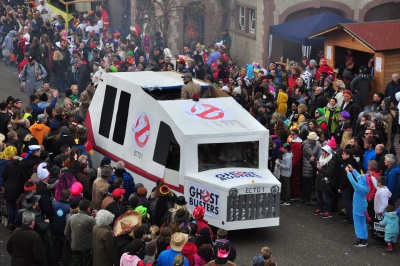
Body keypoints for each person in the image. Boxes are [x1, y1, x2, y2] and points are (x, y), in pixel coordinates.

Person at [64, 199, 96, 266]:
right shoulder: (90, 220)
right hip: (87, 247)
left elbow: (66, 232)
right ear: (88, 208)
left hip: (75, 246)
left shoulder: (72, 218)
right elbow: (97, 231)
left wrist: (71, 241)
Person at [345, 164, 370, 247]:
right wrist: (353, 170)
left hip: (358, 207)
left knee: (358, 223)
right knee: (363, 222)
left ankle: (361, 239)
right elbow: (359, 177)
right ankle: (364, 238)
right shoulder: (366, 186)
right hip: (363, 206)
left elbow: (353, 181)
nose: (360, 177)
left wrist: (348, 172)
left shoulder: (360, 188)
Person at [301, 132, 320, 205]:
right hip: (308, 166)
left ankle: (304, 198)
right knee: (308, 184)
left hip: (307, 166)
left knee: (306, 183)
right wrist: (317, 147)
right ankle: (307, 199)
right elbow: (312, 153)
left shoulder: (306, 144)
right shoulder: (307, 145)